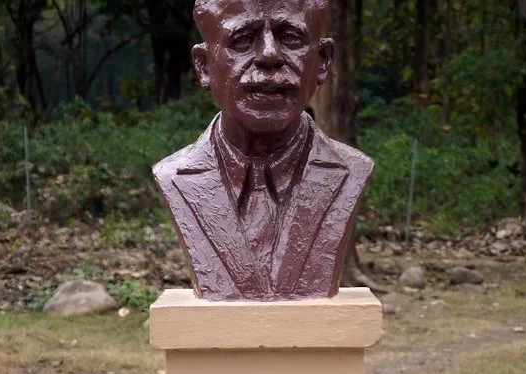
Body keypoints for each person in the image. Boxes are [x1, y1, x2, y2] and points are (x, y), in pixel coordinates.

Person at [154, 0, 373, 301]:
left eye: (291, 39)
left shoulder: (351, 171)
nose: (269, 55)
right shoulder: (173, 176)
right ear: (204, 66)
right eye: (242, 40)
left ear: (322, 60)